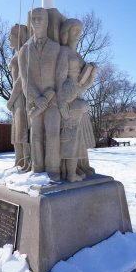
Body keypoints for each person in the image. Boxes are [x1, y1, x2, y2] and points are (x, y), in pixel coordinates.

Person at [18, 8, 61, 181]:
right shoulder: (24, 50)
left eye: (40, 18)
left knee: (52, 133)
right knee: (36, 135)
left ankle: (53, 169)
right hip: (34, 103)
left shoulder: (56, 47)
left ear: (47, 21)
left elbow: (61, 74)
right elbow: (24, 79)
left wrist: (50, 94)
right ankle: (38, 168)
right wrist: (38, 98)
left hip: (53, 100)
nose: (36, 21)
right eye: (33, 18)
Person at [57, 19, 96, 182]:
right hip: (67, 94)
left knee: (77, 137)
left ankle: (75, 169)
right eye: (75, 31)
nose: (78, 35)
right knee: (70, 137)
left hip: (77, 92)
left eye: (80, 32)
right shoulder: (63, 52)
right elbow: (58, 78)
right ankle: (69, 174)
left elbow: (83, 82)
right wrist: (61, 102)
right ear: (66, 33)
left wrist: (91, 73)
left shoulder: (78, 55)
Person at [7, 24, 30, 171]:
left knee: (23, 133)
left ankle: (27, 162)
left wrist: (12, 99)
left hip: (22, 97)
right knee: (16, 133)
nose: (9, 39)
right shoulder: (17, 53)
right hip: (16, 100)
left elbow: (21, 80)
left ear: (19, 36)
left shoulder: (24, 52)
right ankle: (19, 162)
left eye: (11, 36)